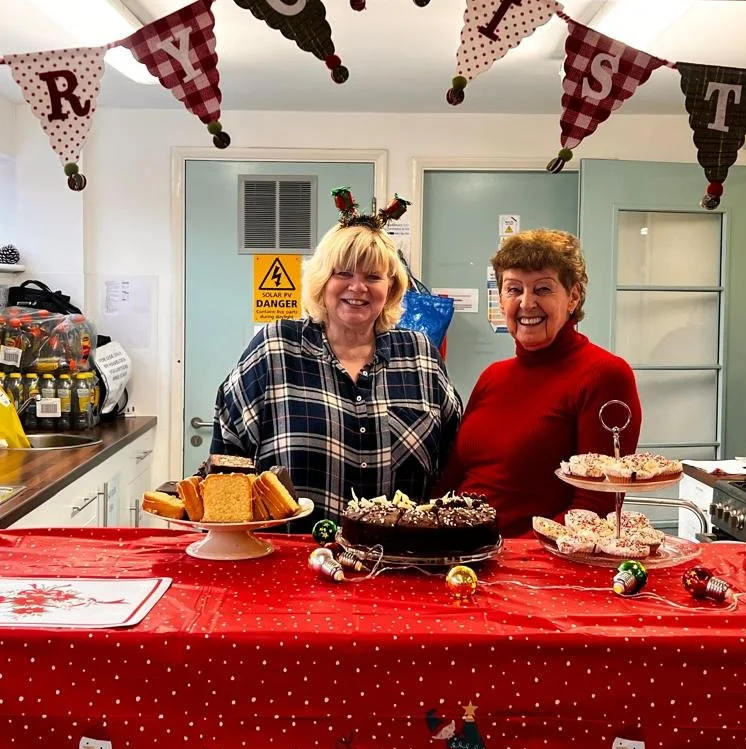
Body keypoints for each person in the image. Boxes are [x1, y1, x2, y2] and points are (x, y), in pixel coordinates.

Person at [210, 193, 462, 521]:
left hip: (397, 563)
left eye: (373, 277)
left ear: (391, 287)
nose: (358, 287)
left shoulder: (421, 358)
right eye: (343, 273)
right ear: (321, 280)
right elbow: (227, 463)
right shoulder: (275, 350)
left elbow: (454, 463)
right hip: (288, 563)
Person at [436, 229, 641, 535]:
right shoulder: (493, 376)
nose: (526, 303)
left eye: (543, 289)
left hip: (532, 567)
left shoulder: (604, 375)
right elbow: (451, 480)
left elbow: (594, 507)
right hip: (459, 553)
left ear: (573, 297)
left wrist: (506, 555)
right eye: (514, 289)